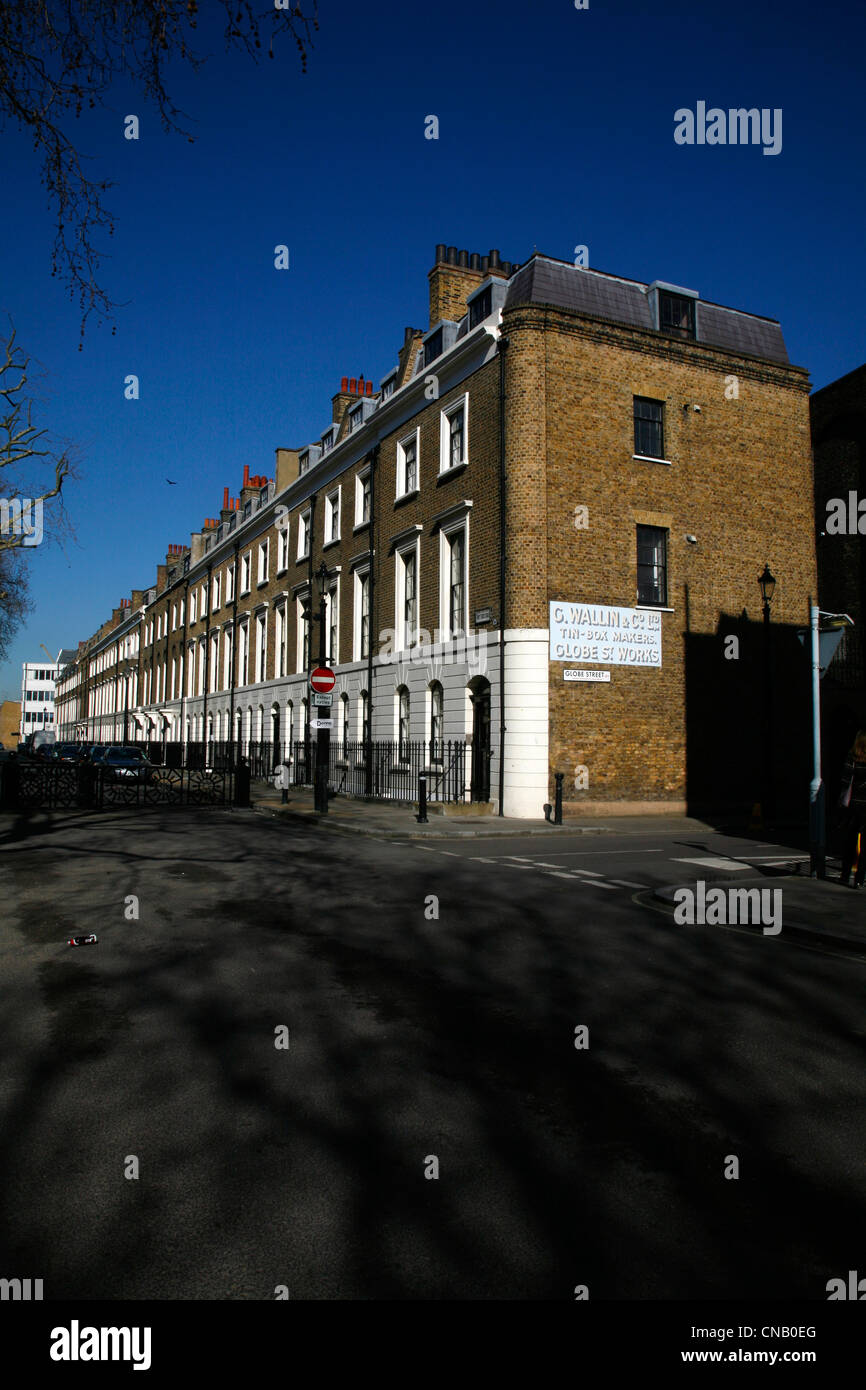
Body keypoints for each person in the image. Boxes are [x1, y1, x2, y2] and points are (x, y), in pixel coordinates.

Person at [838, 730, 866, 887]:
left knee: (849, 840)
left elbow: (845, 779)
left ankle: (845, 874)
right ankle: (860, 878)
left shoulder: (852, 757)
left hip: (853, 805)